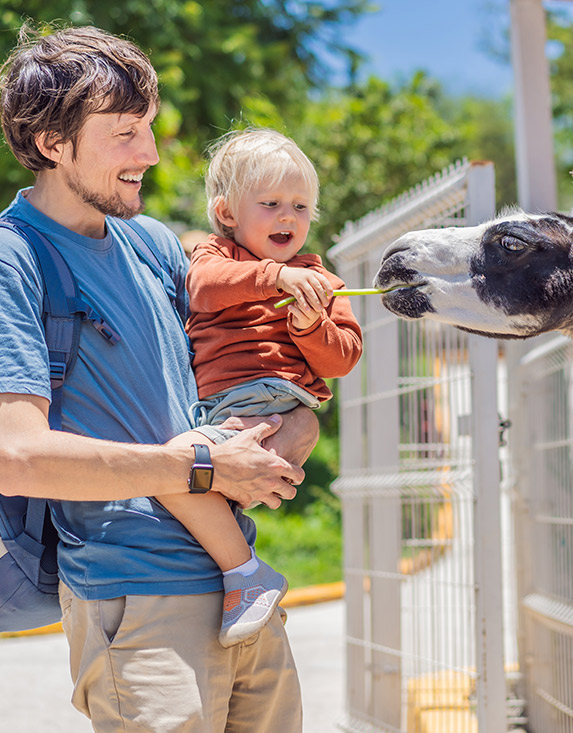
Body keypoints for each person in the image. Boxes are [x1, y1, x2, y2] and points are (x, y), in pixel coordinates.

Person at [0, 25, 316, 731]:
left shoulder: (152, 244)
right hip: (136, 602)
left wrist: (292, 422)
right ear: (54, 144)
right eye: (124, 133)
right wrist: (206, 465)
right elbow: (17, 456)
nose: (149, 153)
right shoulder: (6, 260)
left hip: (242, 588)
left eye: (147, 127)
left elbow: (233, 367)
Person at [159, 128, 362, 647]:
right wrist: (274, 278)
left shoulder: (319, 276)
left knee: (173, 468)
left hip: (279, 405)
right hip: (229, 411)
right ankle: (237, 553)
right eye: (270, 203)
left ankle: (245, 576)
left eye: (300, 205)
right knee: (190, 478)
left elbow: (343, 358)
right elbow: (202, 290)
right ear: (228, 213)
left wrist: (309, 325)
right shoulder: (216, 257)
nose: (288, 217)